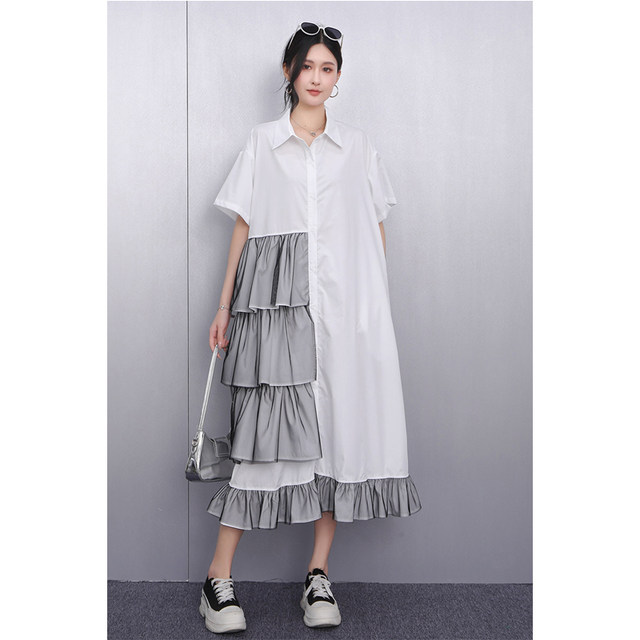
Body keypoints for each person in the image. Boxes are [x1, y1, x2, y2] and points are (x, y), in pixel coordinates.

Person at [198, 22, 422, 635]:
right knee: (263, 445)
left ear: (338, 76)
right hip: (280, 315)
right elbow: (244, 225)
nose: (317, 78)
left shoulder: (359, 147)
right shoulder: (263, 143)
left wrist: (374, 313)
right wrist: (224, 306)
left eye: (327, 68)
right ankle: (218, 578)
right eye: (307, 67)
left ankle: (318, 575)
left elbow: (375, 229)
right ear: (289, 72)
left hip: (347, 317)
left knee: (337, 441)